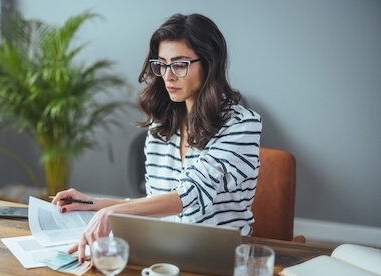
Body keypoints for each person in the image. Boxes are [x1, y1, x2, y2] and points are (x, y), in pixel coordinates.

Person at [52, 13, 262, 263]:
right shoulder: (161, 125)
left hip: (222, 261)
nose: (168, 76)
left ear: (209, 63)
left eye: (180, 64)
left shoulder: (242, 125)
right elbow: (157, 205)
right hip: (166, 255)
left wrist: (110, 213)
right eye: (162, 64)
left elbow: (190, 194)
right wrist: (92, 203)